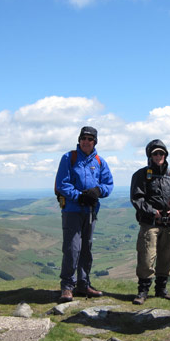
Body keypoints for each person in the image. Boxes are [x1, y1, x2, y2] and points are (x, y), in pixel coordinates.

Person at [55, 126, 114, 302]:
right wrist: (79, 197)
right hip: (72, 210)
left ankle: (83, 284)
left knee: (86, 248)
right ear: (79, 140)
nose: (86, 142)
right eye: (83, 138)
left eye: (90, 139)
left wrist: (97, 191)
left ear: (95, 141)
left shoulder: (99, 161)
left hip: (90, 211)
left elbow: (108, 184)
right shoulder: (69, 158)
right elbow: (62, 184)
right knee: (72, 248)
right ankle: (67, 286)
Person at [130, 139, 170, 305]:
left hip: (169, 224)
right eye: (155, 153)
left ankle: (161, 289)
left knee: (167, 257)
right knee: (146, 257)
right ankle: (143, 291)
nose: (159, 156)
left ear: (165, 155)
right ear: (149, 156)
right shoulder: (140, 175)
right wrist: (153, 212)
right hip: (149, 223)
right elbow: (137, 199)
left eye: (162, 153)